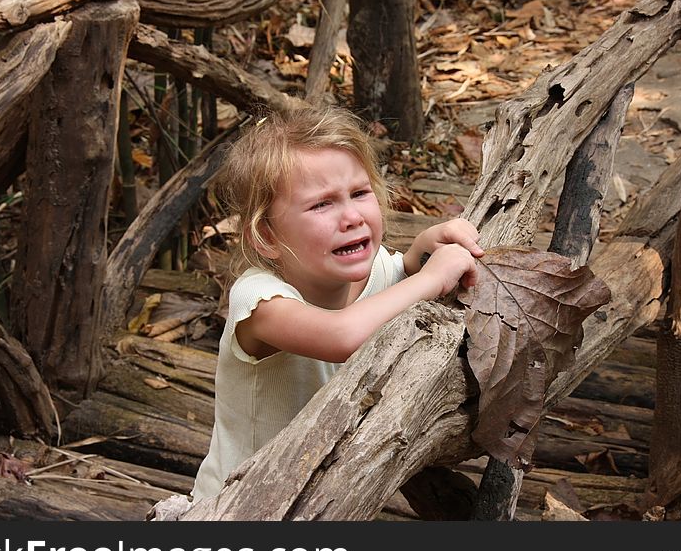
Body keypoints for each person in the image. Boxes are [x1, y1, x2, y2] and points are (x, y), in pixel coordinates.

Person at [192, 106, 484, 503]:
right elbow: (342, 334)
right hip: (240, 503)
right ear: (266, 236)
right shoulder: (259, 301)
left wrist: (420, 255)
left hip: (323, 490)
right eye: (321, 204)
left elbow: (392, 278)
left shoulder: (371, 271)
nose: (351, 216)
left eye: (360, 193)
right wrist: (432, 279)